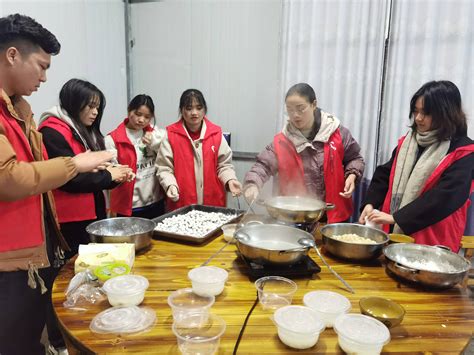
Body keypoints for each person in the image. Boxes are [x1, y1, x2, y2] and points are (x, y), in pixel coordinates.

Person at [0, 14, 113, 355]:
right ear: (12, 55)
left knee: (30, 335)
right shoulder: (45, 124)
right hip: (10, 259)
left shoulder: (19, 111)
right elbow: (8, 178)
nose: (44, 77)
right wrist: (75, 164)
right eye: (41, 66)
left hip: (33, 251)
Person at [359, 80, 474, 252]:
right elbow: (385, 174)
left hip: (432, 241)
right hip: (394, 233)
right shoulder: (409, 142)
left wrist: (396, 218)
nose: (418, 118)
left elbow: (445, 196)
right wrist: (370, 203)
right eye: (416, 111)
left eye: (426, 113)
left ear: (446, 113)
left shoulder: (464, 151)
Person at [243, 83, 365, 223]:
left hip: (333, 217)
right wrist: (252, 184)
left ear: (314, 104)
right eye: (290, 110)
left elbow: (355, 158)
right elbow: (262, 166)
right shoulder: (282, 141)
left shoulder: (337, 133)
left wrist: (352, 175)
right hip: (294, 217)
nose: (295, 115)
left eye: (301, 109)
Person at [38, 78, 132, 258]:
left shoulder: (84, 130)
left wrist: (117, 175)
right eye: (90, 106)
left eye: (98, 107)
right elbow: (69, 179)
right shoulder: (52, 132)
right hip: (70, 220)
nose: (95, 112)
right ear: (74, 103)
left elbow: (94, 170)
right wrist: (109, 176)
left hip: (91, 213)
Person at [156, 89, 242, 211]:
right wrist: (170, 185)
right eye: (189, 108)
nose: (194, 113)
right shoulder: (171, 135)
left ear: (204, 110)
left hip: (213, 203)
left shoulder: (216, 134)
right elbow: (164, 168)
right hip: (182, 203)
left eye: (199, 107)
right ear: (181, 110)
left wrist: (230, 180)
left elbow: (224, 165)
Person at [105, 94, 166, 218]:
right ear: (129, 111)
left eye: (147, 117)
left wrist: (154, 140)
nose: (141, 120)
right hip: (130, 206)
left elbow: (170, 153)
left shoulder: (155, 135)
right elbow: (111, 172)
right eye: (138, 114)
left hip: (156, 202)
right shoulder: (112, 139)